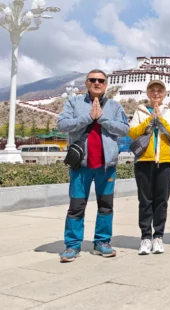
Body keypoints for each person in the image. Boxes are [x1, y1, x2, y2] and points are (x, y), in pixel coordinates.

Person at [57, 69, 129, 262]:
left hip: (106, 166)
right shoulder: (73, 103)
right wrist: (88, 118)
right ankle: (72, 245)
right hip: (81, 166)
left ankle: (102, 242)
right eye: (93, 80)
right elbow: (62, 125)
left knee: (106, 206)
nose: (97, 83)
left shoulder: (114, 106)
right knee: (76, 206)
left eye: (101, 80)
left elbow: (124, 129)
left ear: (106, 84)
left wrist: (102, 118)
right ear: (86, 83)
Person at [129, 79, 170, 255]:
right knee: (145, 201)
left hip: (166, 161)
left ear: (165, 93)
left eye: (160, 90)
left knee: (161, 201)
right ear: (148, 93)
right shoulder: (140, 111)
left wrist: (162, 122)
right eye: (153, 90)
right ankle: (145, 237)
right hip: (144, 160)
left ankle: (158, 236)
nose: (156, 94)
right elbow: (132, 133)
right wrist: (149, 121)